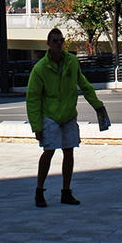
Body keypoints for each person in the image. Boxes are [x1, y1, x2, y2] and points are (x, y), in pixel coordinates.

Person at [26, 28, 108, 208]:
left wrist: (97, 105)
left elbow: (84, 84)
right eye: (54, 41)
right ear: (48, 43)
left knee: (69, 151)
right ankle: (39, 190)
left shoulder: (71, 62)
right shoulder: (40, 69)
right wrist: (36, 126)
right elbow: (33, 99)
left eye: (61, 41)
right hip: (50, 116)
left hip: (69, 115)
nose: (58, 44)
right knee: (48, 151)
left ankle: (66, 191)